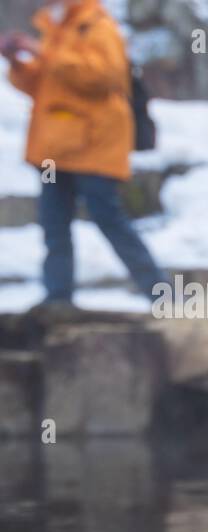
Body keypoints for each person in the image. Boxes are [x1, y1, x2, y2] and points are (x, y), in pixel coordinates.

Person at [2, 0, 165, 308]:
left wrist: (43, 53)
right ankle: (58, 298)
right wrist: (18, 62)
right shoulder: (54, 28)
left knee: (109, 220)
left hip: (95, 146)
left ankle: (160, 292)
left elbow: (105, 77)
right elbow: (43, 85)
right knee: (54, 225)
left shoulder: (98, 26)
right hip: (55, 147)